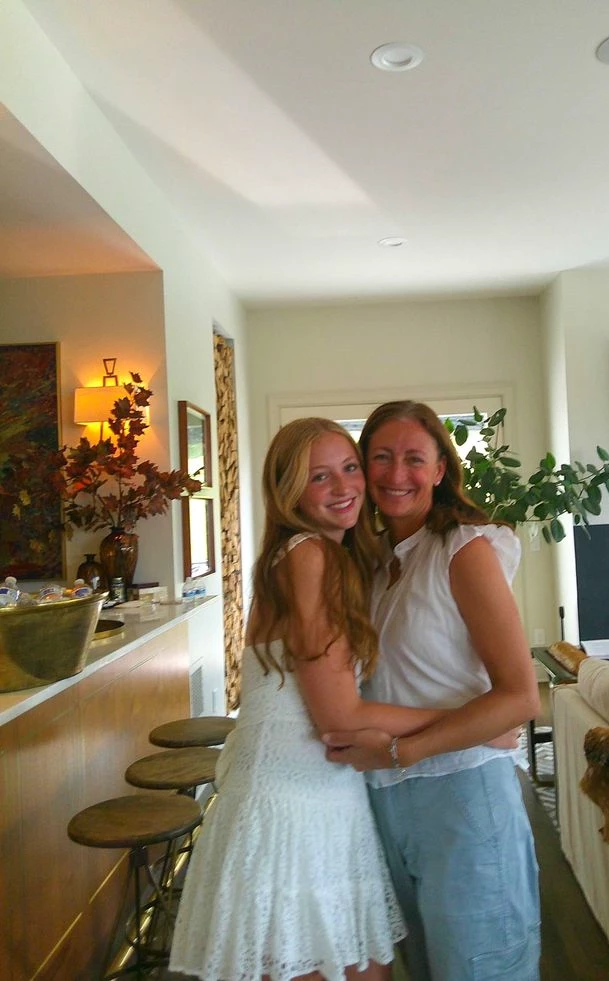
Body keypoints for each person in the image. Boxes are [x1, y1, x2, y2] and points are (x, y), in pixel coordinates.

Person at [168, 417, 450, 981]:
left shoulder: (323, 557)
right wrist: (469, 719)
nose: (344, 487)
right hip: (288, 811)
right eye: (320, 476)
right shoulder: (308, 555)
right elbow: (340, 715)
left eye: (349, 468)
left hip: (324, 798)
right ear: (289, 491)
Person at [323, 400, 542, 981]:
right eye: (381, 457)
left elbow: (521, 696)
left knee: (481, 969)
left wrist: (402, 750)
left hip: (463, 794)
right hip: (385, 801)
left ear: (441, 469)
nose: (397, 474)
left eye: (414, 459)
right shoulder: (374, 562)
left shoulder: (465, 549)